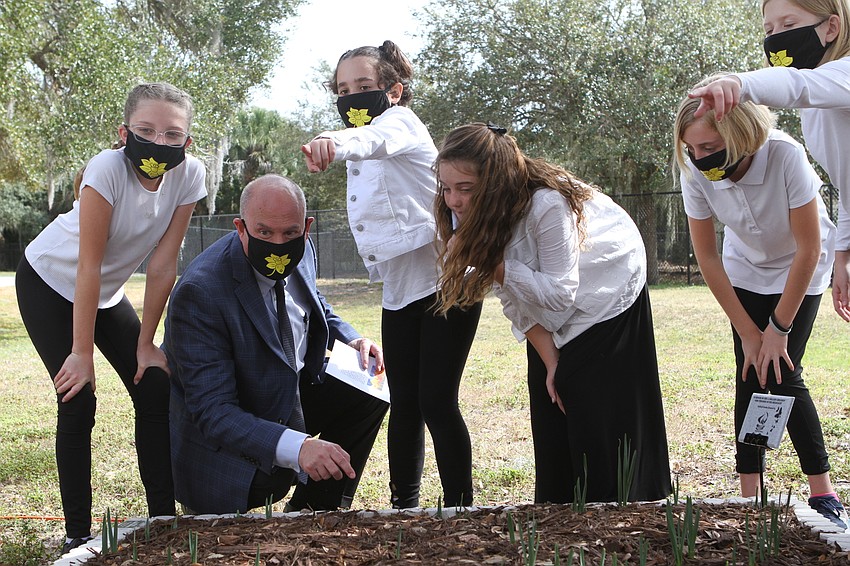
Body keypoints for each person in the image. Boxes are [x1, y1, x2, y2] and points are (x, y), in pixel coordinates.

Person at [433, 122, 672, 504]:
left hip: (606, 284)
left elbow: (560, 293)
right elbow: (512, 297)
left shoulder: (546, 203)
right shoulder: (468, 214)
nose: (453, 201)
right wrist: (550, 361)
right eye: (446, 188)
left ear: (494, 184)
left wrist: (494, 262)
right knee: (553, 399)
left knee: (593, 411)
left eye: (465, 189)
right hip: (551, 292)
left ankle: (622, 508)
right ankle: (558, 511)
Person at [16, 82, 207, 553]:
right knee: (77, 396)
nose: (158, 143)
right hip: (49, 280)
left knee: (154, 382)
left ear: (187, 141)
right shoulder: (106, 169)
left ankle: (163, 522)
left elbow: (164, 265)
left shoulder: (191, 176)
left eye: (171, 134)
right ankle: (77, 536)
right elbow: (89, 264)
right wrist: (81, 354)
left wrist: (146, 342)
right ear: (124, 132)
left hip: (102, 293)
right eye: (146, 130)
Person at [301, 40, 482, 508]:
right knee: (403, 404)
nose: (351, 97)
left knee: (436, 402)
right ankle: (406, 507)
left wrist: (333, 141)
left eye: (363, 86)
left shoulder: (400, 124)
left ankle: (462, 507)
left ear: (394, 90)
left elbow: (370, 139)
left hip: (448, 282)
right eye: (342, 90)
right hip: (400, 290)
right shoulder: (368, 138)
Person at [673, 89, 847, 530]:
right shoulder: (694, 173)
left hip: (801, 268)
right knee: (751, 371)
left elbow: (809, 248)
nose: (699, 158)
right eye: (692, 149)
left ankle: (823, 492)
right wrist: (750, 333)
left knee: (783, 370)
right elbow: (708, 258)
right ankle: (750, 495)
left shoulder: (785, 156)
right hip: (745, 271)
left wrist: (777, 328)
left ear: (740, 134)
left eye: (709, 148)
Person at [164, 174, 388, 514]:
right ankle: (285, 464)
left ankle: (317, 511)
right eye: (264, 232)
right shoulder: (201, 292)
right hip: (231, 419)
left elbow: (313, 305)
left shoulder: (304, 251)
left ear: (306, 228)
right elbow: (213, 411)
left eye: (290, 233)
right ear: (241, 228)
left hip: (285, 391)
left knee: (368, 388)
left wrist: (353, 338)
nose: (278, 245)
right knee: (272, 476)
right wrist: (297, 447)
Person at [688, 0, 850, 322]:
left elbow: (796, 85)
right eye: (769, 30)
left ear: (831, 27)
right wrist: (843, 253)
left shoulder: (841, 75)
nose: (777, 38)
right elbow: (845, 181)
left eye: (788, 26)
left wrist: (740, 84)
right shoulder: (816, 107)